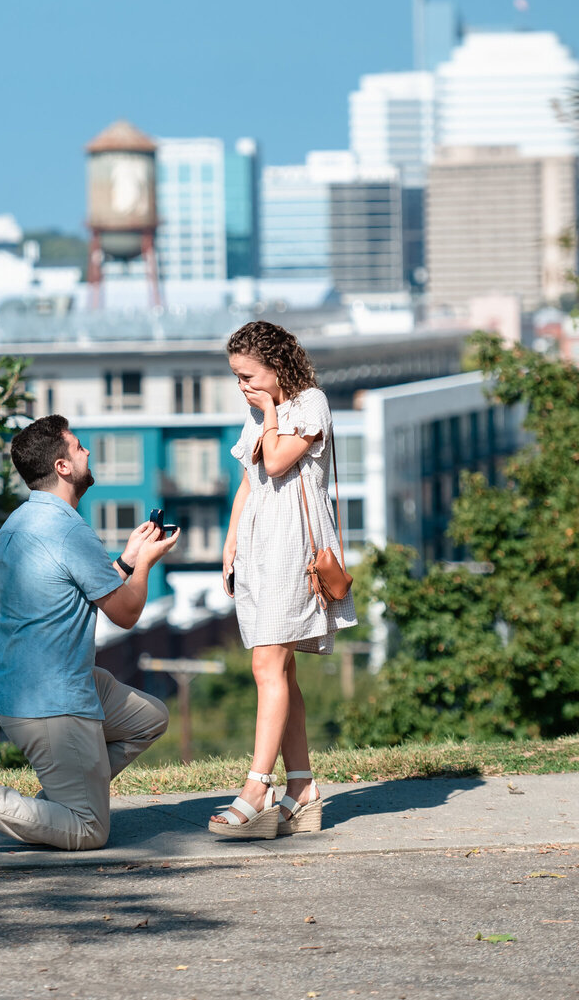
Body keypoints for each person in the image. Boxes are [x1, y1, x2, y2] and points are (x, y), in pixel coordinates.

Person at [0, 414, 180, 855]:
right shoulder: (66, 529)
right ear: (62, 467)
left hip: (36, 684)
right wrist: (146, 564)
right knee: (88, 831)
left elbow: (74, 592)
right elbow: (126, 613)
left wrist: (124, 561)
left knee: (148, 719)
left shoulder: (19, 524)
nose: (86, 453)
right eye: (78, 447)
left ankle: (53, 808)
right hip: (52, 702)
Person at [211, 321, 358, 838]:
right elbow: (249, 482)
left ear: (277, 367)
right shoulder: (259, 414)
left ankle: (258, 788)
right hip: (259, 548)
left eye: (249, 375)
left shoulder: (310, 404)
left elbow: (275, 462)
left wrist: (271, 410)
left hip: (294, 548)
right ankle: (302, 788)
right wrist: (230, 543)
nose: (242, 386)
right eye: (236, 377)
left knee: (266, 662)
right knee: (281, 668)